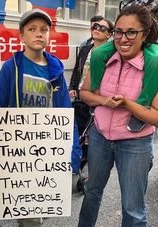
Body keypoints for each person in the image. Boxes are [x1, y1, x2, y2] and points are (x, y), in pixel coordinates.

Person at [0, 8, 81, 227]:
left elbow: (66, 113)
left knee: (43, 210)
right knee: (29, 218)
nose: (39, 34)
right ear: (21, 36)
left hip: (48, 154)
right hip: (18, 156)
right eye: (32, 29)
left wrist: (73, 150)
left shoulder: (55, 70)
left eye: (44, 30)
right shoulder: (11, 68)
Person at [78, 4, 158, 227]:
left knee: (133, 208)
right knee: (92, 192)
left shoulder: (153, 66)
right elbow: (85, 92)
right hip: (100, 138)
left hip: (135, 144)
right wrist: (105, 101)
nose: (123, 38)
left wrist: (127, 104)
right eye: (119, 32)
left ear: (145, 34)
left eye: (131, 32)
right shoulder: (103, 59)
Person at [69, 17, 113, 192]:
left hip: (97, 101)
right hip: (80, 99)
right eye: (95, 26)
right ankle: (77, 165)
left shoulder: (111, 53)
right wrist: (73, 87)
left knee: (91, 138)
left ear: (109, 34)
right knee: (77, 135)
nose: (97, 29)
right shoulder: (85, 49)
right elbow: (76, 70)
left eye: (103, 28)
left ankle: (86, 175)